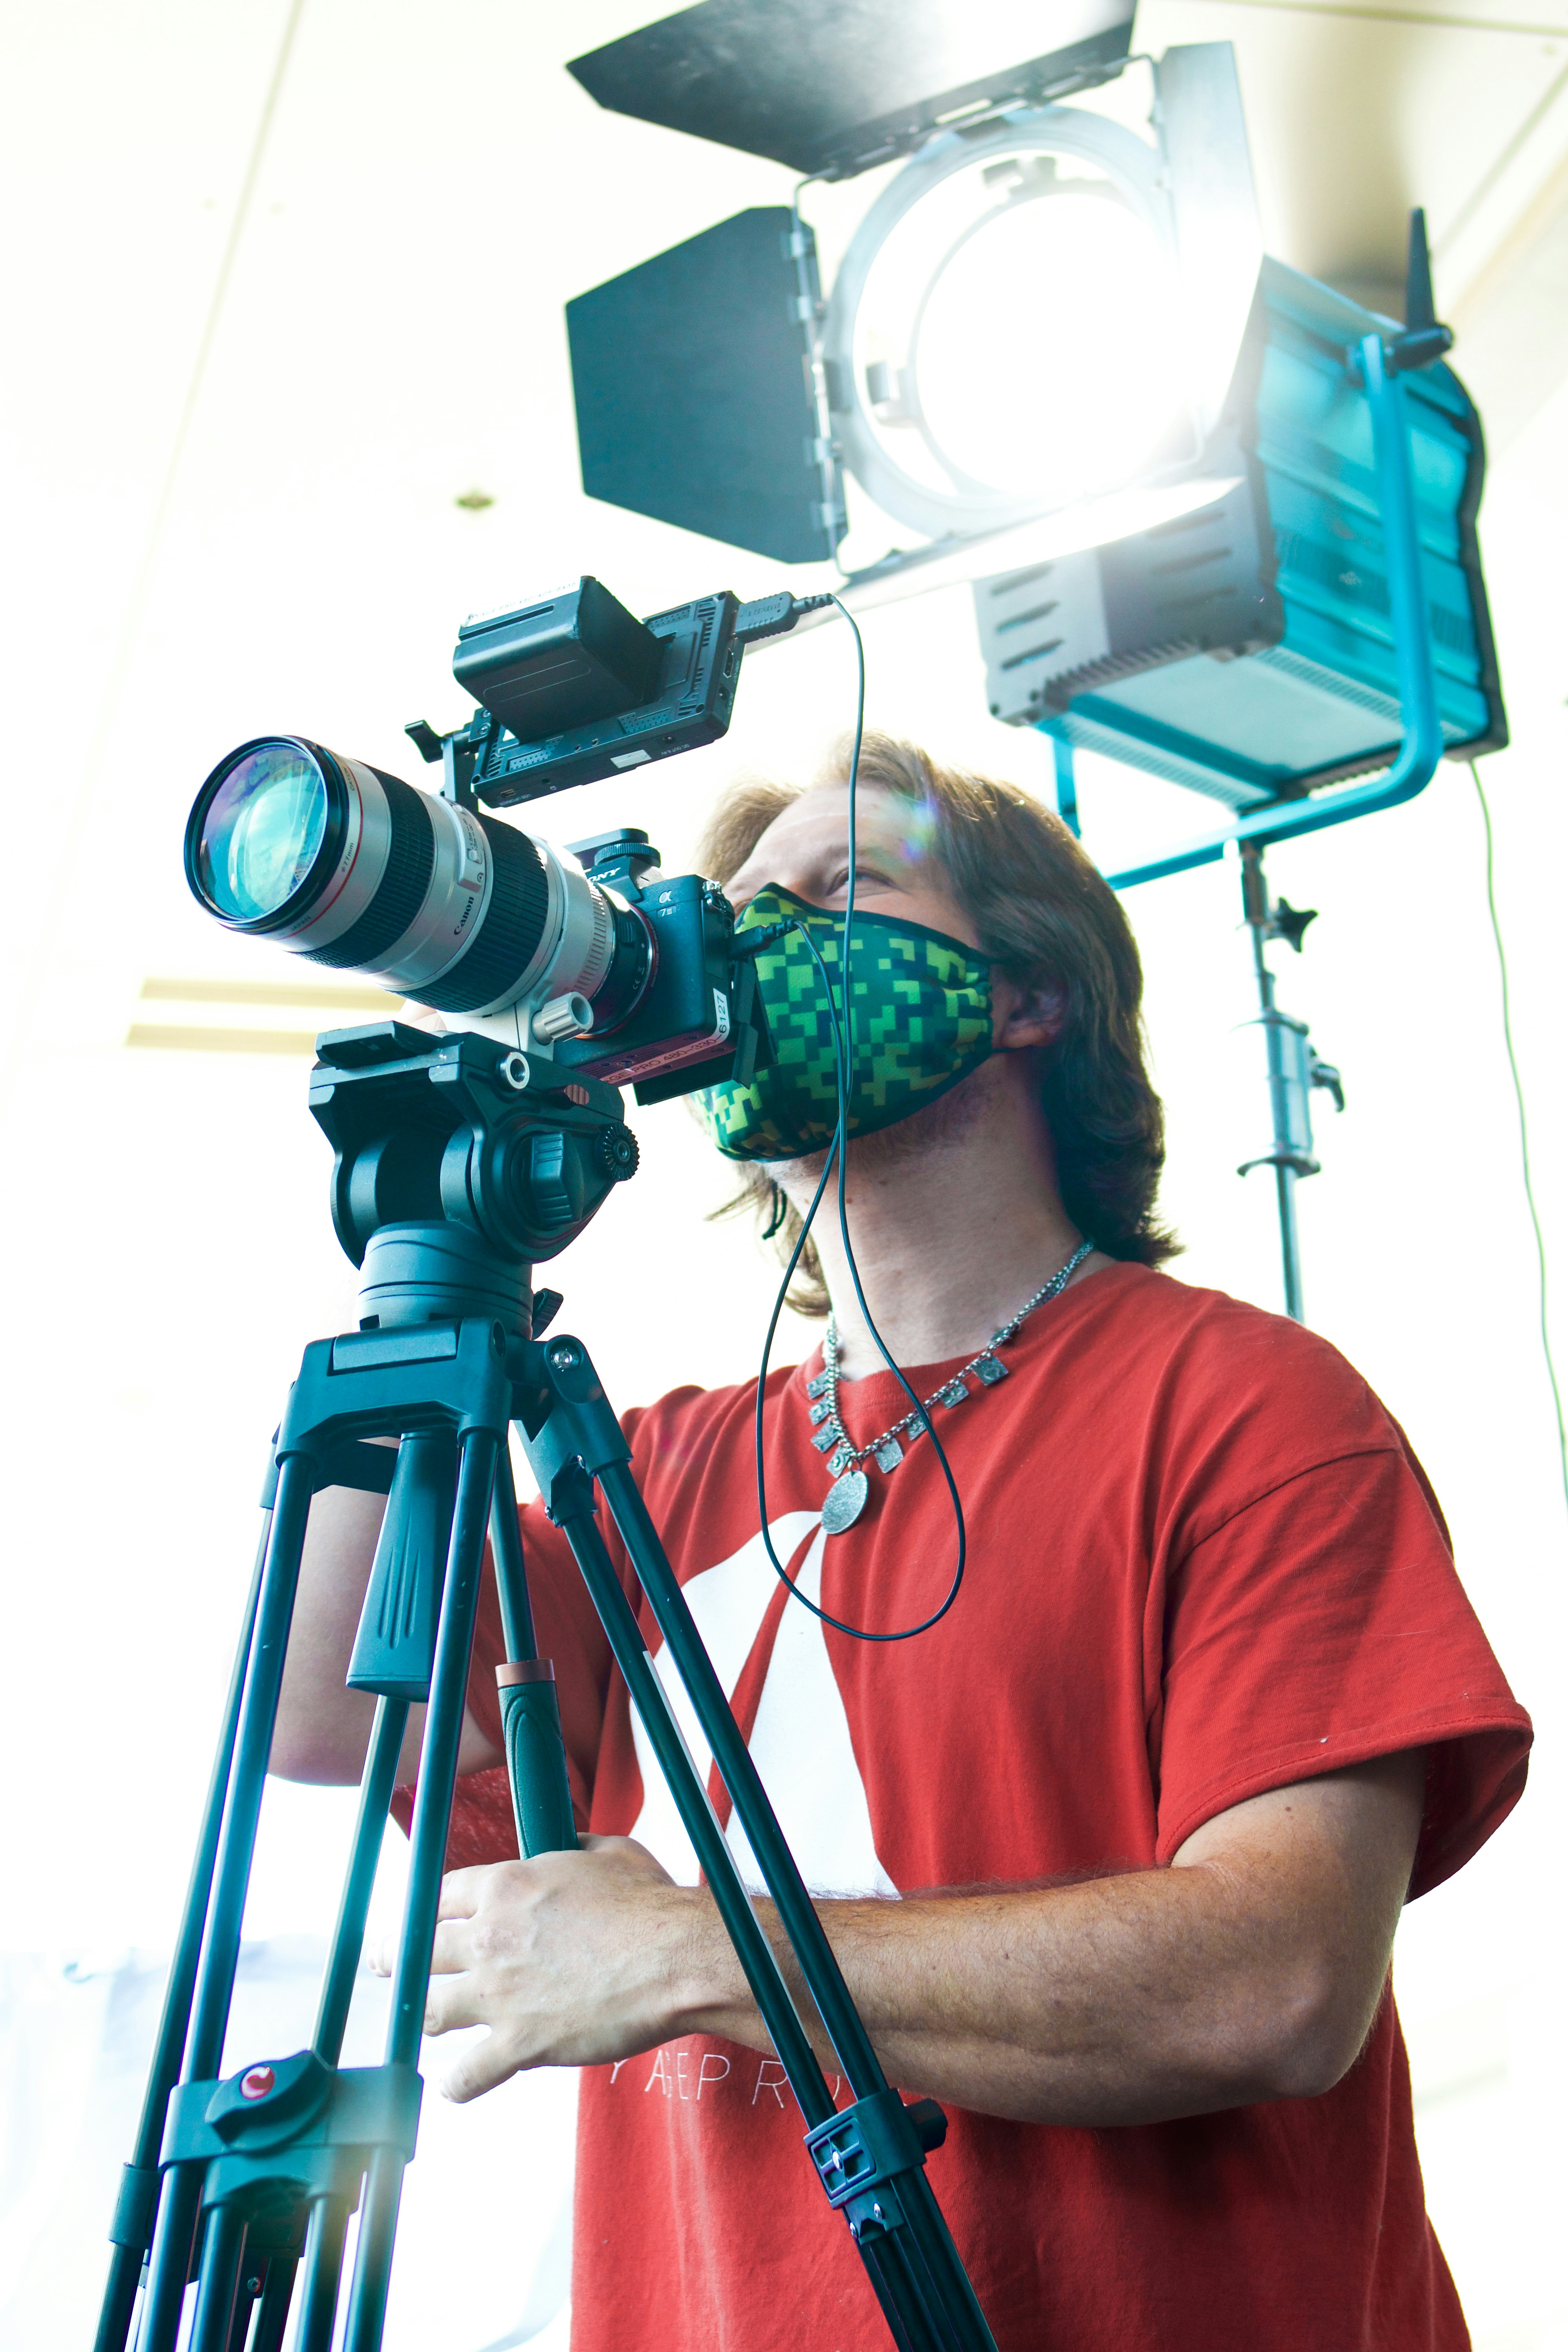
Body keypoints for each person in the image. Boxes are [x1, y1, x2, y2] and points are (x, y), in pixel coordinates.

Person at [273, 733, 1531, 2352]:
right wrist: (427, 1252)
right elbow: (324, 1716)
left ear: (1027, 997)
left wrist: (689, 1954)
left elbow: (1275, 1985)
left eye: (839, 887)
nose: (752, 940)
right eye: (728, 912)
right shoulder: (646, 1470)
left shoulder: (1243, 1405)